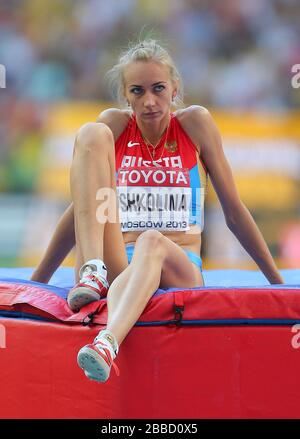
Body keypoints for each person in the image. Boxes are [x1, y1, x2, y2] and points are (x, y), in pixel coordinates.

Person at [30, 39, 283, 383]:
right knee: (91, 132)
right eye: (138, 91)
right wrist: (34, 286)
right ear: (126, 95)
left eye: (158, 88)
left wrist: (278, 284)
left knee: (152, 240)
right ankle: (93, 270)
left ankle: (107, 343)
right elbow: (84, 207)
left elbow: (234, 211)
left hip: (179, 267)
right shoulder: (115, 126)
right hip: (120, 262)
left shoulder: (195, 124)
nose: (149, 101)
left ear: (174, 88)